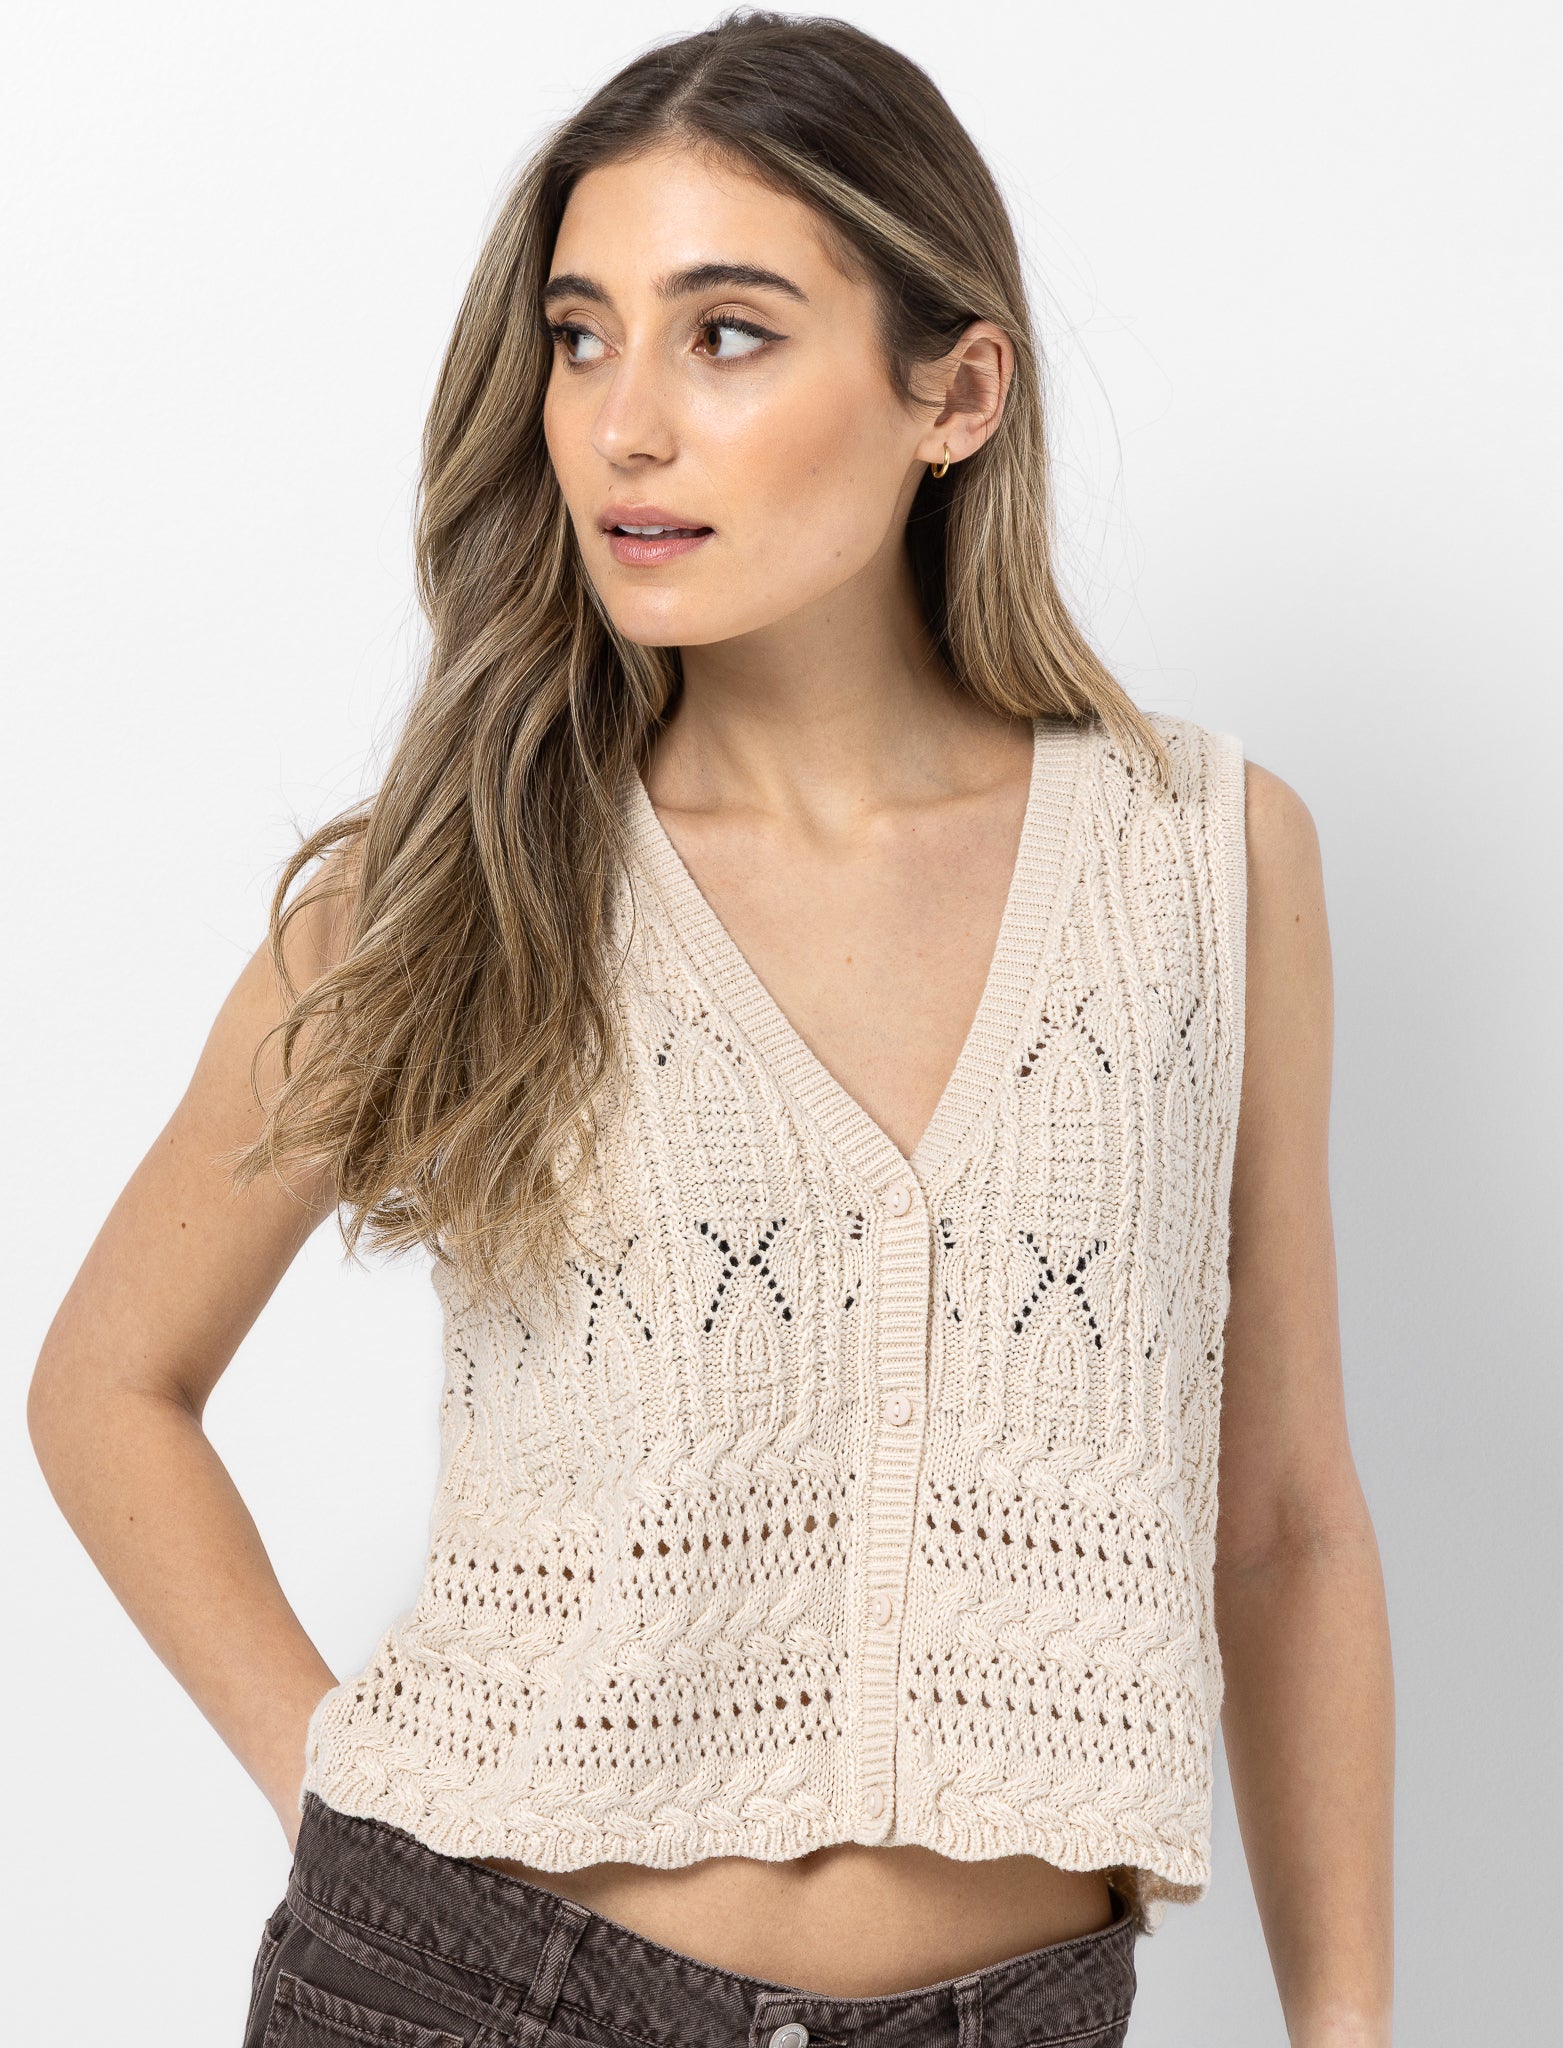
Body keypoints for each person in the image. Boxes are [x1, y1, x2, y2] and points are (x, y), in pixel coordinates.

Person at [27, 12, 1394, 2046]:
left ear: (955, 392)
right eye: (581, 338)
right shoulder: (465, 872)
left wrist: (1348, 2028)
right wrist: (339, 1799)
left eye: (725, 334)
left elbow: (1279, 1523)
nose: (621, 426)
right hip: (470, 1988)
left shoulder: (1204, 860)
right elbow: (106, 1383)